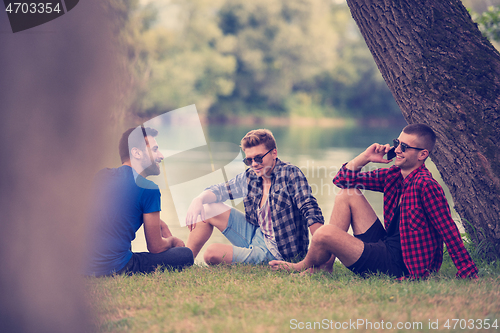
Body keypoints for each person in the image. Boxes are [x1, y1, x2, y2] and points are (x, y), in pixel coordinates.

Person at [270, 124, 478, 279]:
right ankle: (325, 267)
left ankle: (302, 265)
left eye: (404, 147)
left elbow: (448, 229)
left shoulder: (426, 186)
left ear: (423, 154)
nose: (397, 150)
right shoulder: (394, 175)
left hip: (402, 265)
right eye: (397, 143)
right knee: (347, 194)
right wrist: (365, 157)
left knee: (324, 233)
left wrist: (467, 270)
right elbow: (342, 180)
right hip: (388, 246)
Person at [185, 129, 325, 265]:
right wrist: (198, 200)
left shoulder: (290, 174)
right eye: (249, 160)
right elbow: (220, 190)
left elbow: (310, 210)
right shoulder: (251, 176)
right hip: (256, 234)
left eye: (258, 158)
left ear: (274, 153)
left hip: (278, 252)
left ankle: (255, 257)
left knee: (211, 253)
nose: (254, 164)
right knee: (208, 208)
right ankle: (184, 262)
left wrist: (320, 257)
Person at [84, 126, 194, 277]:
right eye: (155, 149)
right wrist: (172, 241)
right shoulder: (148, 188)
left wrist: (158, 222)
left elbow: (111, 217)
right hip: (116, 268)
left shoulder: (101, 176)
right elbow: (156, 248)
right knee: (185, 254)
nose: (160, 155)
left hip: (85, 267)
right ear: (136, 152)